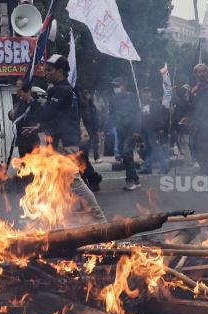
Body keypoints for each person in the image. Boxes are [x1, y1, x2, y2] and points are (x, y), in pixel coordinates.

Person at [19, 54, 107, 224]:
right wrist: (40, 127)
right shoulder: (64, 90)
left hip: (64, 144)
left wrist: (30, 100)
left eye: (49, 70)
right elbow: (59, 118)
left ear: (60, 71)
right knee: (53, 182)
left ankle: (98, 217)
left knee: (73, 181)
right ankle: (49, 221)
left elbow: (46, 114)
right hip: (62, 141)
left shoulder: (62, 90)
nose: (46, 73)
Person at [109, 77, 142, 191]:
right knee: (124, 155)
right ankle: (136, 179)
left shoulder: (132, 97)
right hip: (120, 131)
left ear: (123, 86)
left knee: (126, 152)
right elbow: (111, 116)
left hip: (130, 130)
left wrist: (137, 131)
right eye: (114, 86)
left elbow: (138, 114)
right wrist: (104, 130)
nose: (115, 88)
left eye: (117, 85)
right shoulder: (113, 99)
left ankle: (130, 180)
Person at [138, 87, 169, 175]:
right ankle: (148, 168)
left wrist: (161, 128)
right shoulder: (141, 105)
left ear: (151, 94)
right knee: (148, 150)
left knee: (156, 148)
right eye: (144, 92)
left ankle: (165, 167)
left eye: (148, 92)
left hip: (153, 130)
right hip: (145, 130)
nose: (146, 94)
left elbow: (158, 116)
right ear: (141, 94)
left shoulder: (154, 103)